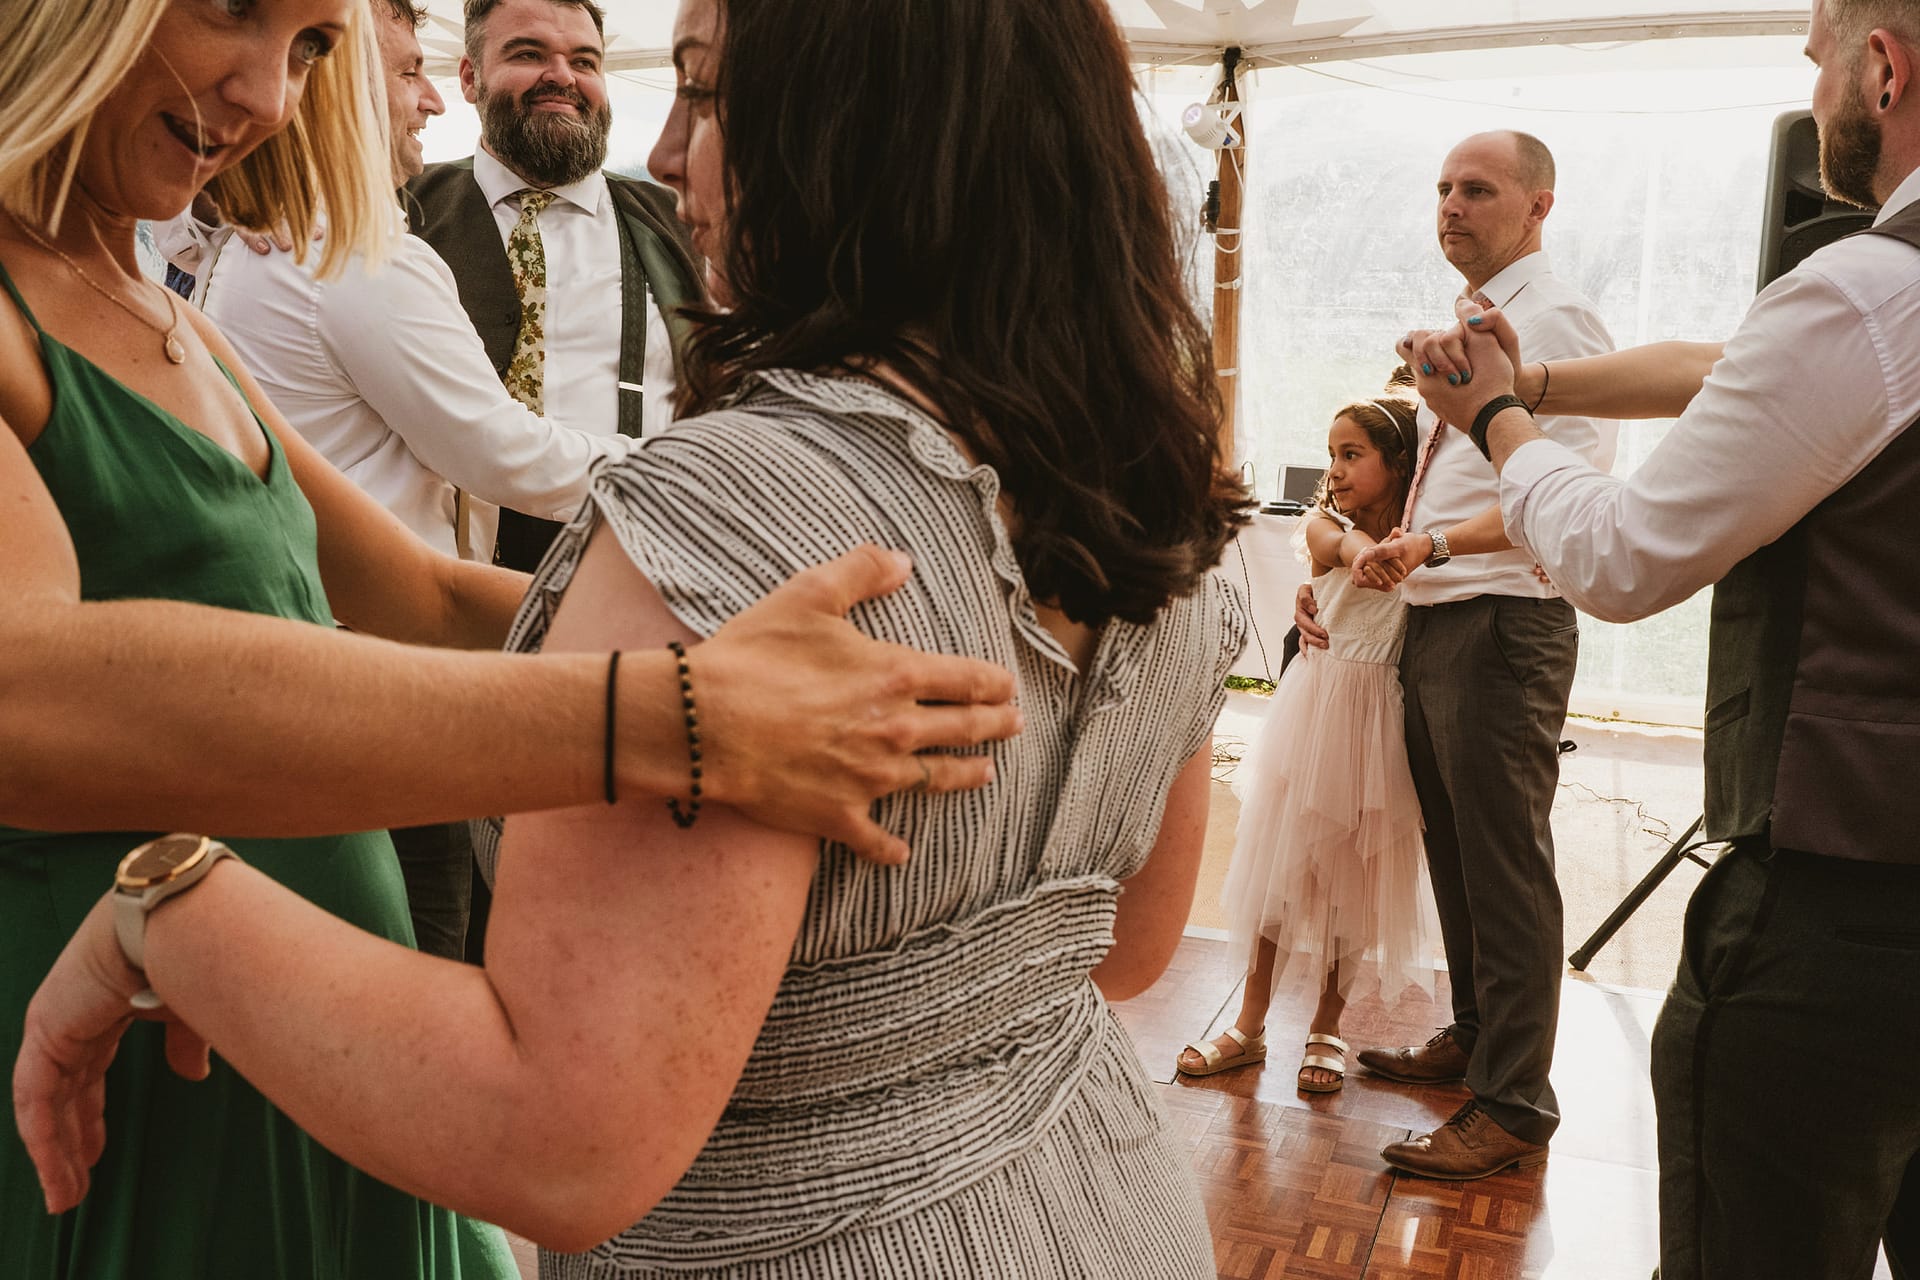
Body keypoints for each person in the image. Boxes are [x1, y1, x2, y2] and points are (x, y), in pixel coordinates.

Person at [15, 0, 1251, 1273]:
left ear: (856, 126)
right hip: (1097, 1188)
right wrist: (659, 690)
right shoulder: (1153, 471)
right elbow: (1131, 947)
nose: (662, 156)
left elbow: (562, 1138)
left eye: (704, 97)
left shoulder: (739, 510)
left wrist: (165, 912)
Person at [1398, 1, 1920, 1270]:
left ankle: (1511, 1079)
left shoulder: (1866, 291)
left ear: (1885, 64)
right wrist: (1529, 387)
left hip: (1845, 906)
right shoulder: (1859, 304)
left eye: (1819, 46)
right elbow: (1735, 361)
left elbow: (1623, 559)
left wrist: (1496, 425)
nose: (1808, 73)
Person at [166, 0, 654, 958]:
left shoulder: (233, 249)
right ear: (340, 102)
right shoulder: (356, 256)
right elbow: (499, 452)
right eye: (402, 75)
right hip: (381, 669)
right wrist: (697, 477)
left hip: (294, 667)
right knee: (421, 952)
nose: (428, 101)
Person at [1299, 129, 1617, 1179]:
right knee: (1457, 850)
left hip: (1501, 621)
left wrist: (1431, 541)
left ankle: (1516, 1100)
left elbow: (1557, 499)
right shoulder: (1474, 321)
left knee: (1505, 864)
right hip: (1440, 618)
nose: (1450, 204)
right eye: (1440, 186)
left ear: (1539, 206)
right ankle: (1479, 1040)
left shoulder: (1554, 319)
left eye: (1477, 189)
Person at [1178, 391, 1435, 1092]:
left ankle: (1327, 1025)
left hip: (1378, 722)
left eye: (1352, 455)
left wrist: (1394, 553)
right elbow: (1339, 549)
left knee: (1354, 879)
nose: (1337, 469)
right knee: (1279, 873)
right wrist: (1367, 555)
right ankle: (1249, 1024)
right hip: (1313, 712)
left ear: (1399, 462)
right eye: (1332, 455)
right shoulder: (1329, 526)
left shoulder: (1426, 537)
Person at [407, 0, 699, 573]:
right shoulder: (401, 207)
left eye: (585, 61)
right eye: (528, 53)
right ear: (469, 78)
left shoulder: (682, 220)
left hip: (638, 565)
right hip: (441, 575)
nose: (563, 76)